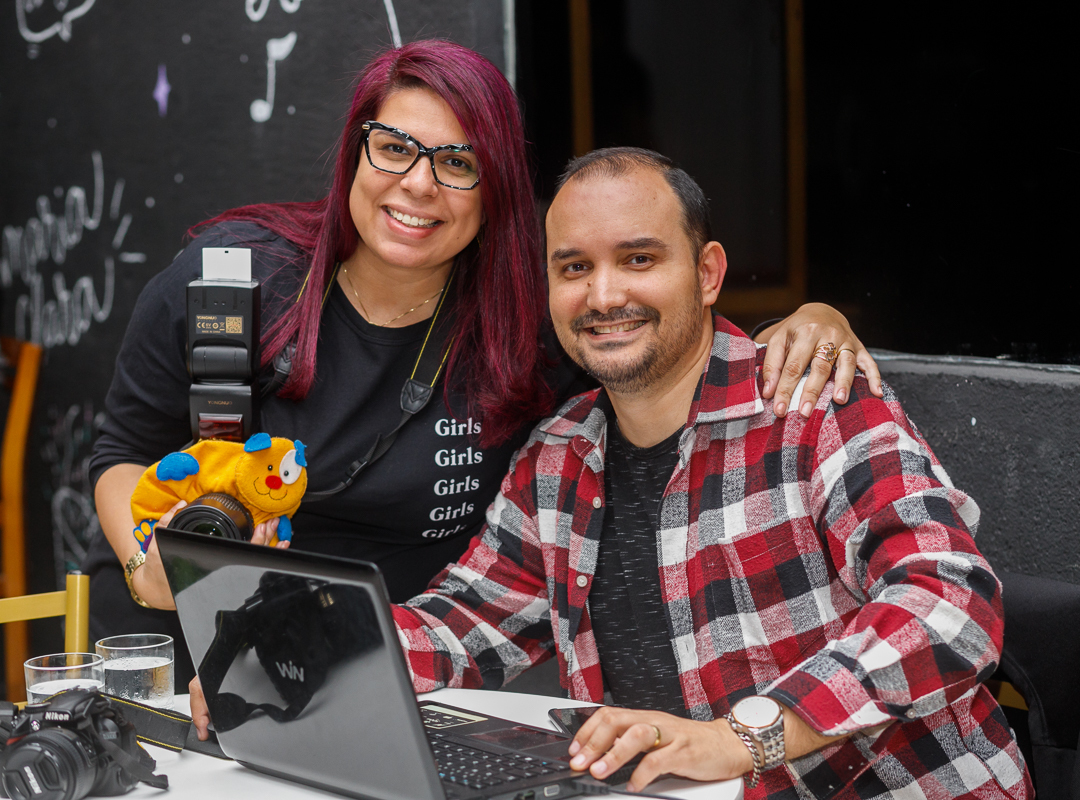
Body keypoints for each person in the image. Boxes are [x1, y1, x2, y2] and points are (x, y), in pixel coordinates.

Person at [192, 146, 1032, 799]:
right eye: (573, 267)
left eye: (638, 259)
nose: (603, 295)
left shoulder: (812, 405)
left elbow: (950, 602)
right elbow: (464, 620)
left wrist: (743, 736)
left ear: (706, 275)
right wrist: (298, 650)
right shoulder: (559, 455)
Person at [88, 41, 879, 689]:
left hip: (391, 668)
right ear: (355, 153)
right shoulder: (232, 281)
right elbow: (120, 451)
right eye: (394, 148)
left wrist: (818, 317)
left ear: (494, 185)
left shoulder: (529, 319)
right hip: (182, 646)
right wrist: (145, 564)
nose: (418, 185)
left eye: (456, 163)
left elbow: (660, 339)